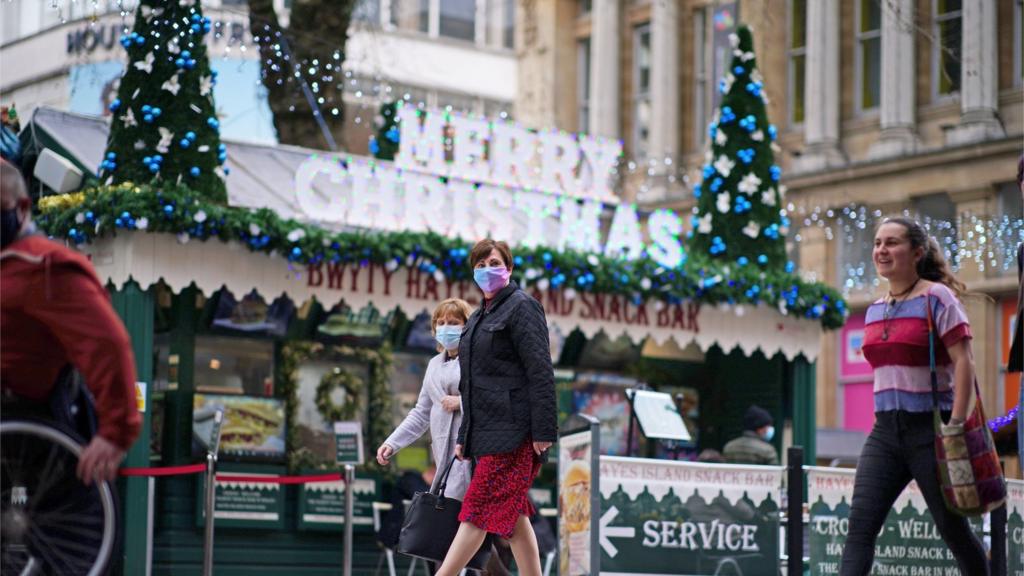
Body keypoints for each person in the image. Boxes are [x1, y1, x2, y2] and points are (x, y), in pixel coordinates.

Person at [839, 217, 987, 575]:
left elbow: (964, 362)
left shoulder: (937, 298)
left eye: (892, 243)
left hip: (932, 431)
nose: (881, 250)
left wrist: (954, 425)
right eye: (877, 243)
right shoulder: (875, 309)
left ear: (917, 252)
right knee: (859, 529)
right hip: (885, 432)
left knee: (953, 530)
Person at [0, 158, 141, 485]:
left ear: (21, 209)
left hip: (25, 423)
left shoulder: (46, 267)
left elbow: (106, 342)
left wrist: (116, 431)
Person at [435, 239, 558, 576]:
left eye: (494, 262)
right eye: (480, 264)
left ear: (509, 267)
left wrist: (544, 430)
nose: (487, 270)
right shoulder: (477, 318)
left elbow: (540, 370)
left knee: (476, 510)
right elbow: (470, 384)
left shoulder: (522, 307)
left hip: (515, 431)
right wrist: (465, 435)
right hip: (486, 433)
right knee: (513, 518)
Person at [376, 298, 474, 500]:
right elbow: (421, 413)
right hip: (444, 459)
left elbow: (493, 397)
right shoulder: (434, 365)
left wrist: (461, 402)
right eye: (441, 323)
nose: (446, 328)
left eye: (454, 323)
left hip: (472, 453)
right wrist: (393, 443)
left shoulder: (477, 360)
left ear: (468, 326)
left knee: (466, 519)